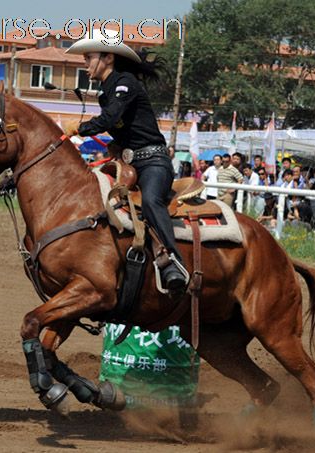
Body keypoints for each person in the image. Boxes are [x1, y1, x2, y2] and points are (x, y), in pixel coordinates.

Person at [64, 29, 187, 297]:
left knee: (152, 201)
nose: (85, 65)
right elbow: (119, 127)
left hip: (154, 162)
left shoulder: (124, 83)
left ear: (107, 58)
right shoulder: (106, 93)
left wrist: (78, 128)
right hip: (130, 164)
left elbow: (109, 120)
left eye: (89, 58)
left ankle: (174, 262)